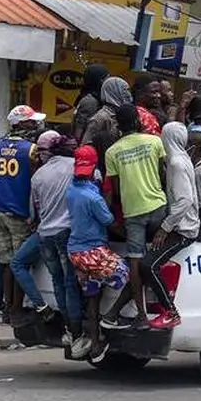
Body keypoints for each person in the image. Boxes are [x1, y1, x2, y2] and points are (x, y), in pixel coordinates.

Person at [10, 131, 83, 343]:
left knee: (58, 280)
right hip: (67, 231)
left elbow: (32, 214)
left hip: (45, 234)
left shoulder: (38, 176)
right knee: (69, 281)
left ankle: (64, 322)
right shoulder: (75, 167)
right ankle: (74, 328)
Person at [103, 104, 168, 330]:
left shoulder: (112, 152)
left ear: (118, 126)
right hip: (159, 207)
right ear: (139, 122)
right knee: (154, 260)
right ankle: (163, 307)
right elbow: (162, 175)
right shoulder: (155, 142)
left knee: (135, 263)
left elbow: (117, 191)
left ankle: (141, 316)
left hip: (133, 213)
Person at [0, 105, 45, 323]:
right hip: (19, 214)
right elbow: (36, 185)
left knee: (6, 262)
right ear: (20, 124)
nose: (35, 125)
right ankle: (16, 309)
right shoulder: (32, 150)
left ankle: (7, 307)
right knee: (20, 263)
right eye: (31, 121)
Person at [66, 145, 125, 360]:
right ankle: (111, 317)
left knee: (92, 294)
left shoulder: (71, 190)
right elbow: (110, 222)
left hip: (75, 250)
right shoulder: (94, 198)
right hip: (93, 251)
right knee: (127, 274)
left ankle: (95, 339)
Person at [145, 123, 201, 329]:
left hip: (183, 230)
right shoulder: (180, 159)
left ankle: (171, 312)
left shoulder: (177, 163)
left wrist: (165, 227)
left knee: (148, 265)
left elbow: (184, 200)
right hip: (181, 225)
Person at [82, 76, 133, 175]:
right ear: (114, 92)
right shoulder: (101, 118)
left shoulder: (122, 115)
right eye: (125, 90)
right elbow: (85, 146)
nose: (128, 95)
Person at [72, 64, 110, 143]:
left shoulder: (99, 98)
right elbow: (79, 131)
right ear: (100, 81)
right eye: (107, 78)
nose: (108, 81)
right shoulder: (90, 101)